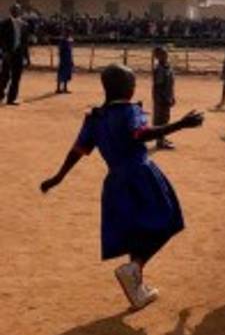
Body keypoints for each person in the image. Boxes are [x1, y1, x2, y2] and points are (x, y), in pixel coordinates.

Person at [40, 64, 203, 309]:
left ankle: (137, 288)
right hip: (141, 174)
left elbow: (78, 150)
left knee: (135, 232)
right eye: (132, 83)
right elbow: (141, 134)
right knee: (168, 220)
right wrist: (180, 124)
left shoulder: (95, 117)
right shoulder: (129, 110)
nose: (135, 86)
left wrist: (58, 176)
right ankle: (135, 268)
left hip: (115, 180)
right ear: (124, 88)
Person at [0, 3, 30, 106]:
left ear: (20, 11)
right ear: (10, 11)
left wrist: (27, 57)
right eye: (13, 9)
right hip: (8, 53)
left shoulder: (24, 25)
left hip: (19, 54)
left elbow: (25, 43)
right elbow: (1, 40)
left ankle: (11, 99)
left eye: (17, 9)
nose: (15, 11)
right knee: (4, 76)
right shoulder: (4, 24)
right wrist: (3, 52)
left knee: (16, 77)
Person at [152, 46, 176, 150]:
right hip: (161, 98)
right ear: (158, 56)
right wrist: (163, 99)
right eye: (163, 54)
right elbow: (158, 86)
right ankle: (159, 142)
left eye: (166, 54)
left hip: (167, 96)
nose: (166, 56)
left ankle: (162, 138)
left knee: (165, 119)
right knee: (160, 120)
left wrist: (172, 96)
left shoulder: (167, 67)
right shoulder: (160, 69)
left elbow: (170, 84)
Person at [56, 26, 74, 94]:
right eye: (68, 32)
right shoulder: (63, 40)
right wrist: (61, 58)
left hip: (68, 58)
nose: (69, 33)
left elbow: (70, 51)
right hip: (64, 58)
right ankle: (58, 88)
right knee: (61, 73)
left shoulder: (69, 40)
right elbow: (60, 50)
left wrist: (71, 60)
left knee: (67, 73)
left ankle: (65, 88)